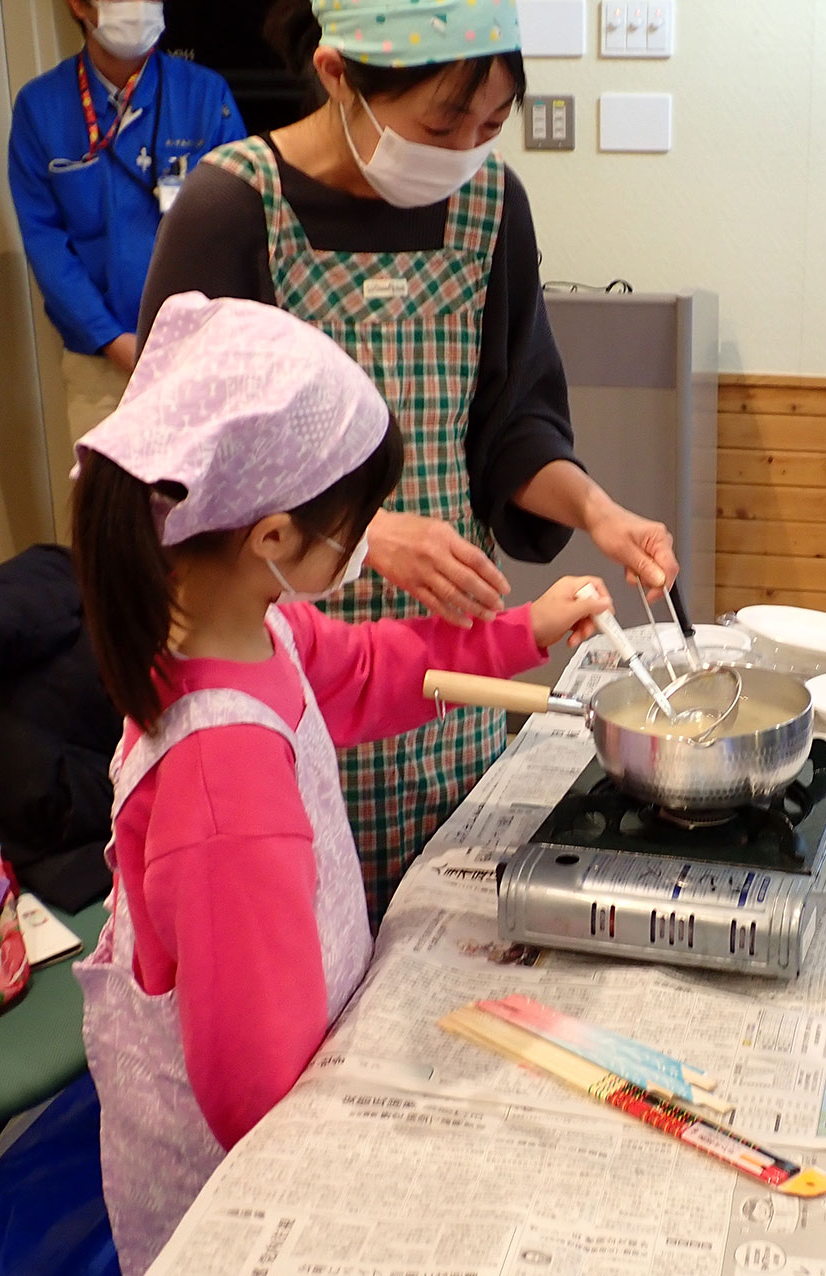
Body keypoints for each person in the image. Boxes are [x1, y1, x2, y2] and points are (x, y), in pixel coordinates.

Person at [70, 291, 610, 1275]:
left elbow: (367, 670)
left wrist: (523, 629)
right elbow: (256, 1093)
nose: (366, 543)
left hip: (295, 1068)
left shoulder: (243, 625)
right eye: (354, 523)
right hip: (248, 1195)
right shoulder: (225, 785)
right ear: (273, 536)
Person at [138, 0, 682, 922]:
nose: (465, 148)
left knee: (447, 929)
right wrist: (365, 535)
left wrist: (598, 512)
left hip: (450, 662)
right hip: (276, 667)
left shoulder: (489, 203)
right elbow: (168, 468)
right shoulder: (233, 208)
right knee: (295, 939)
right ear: (338, 73)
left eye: (491, 124)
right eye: (440, 123)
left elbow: (511, 427)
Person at [8, 0, 246, 440]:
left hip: (201, 355)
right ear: (80, 5)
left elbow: (240, 225)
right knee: (109, 507)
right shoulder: (40, 108)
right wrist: (115, 342)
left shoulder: (205, 96)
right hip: (101, 365)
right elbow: (45, 242)